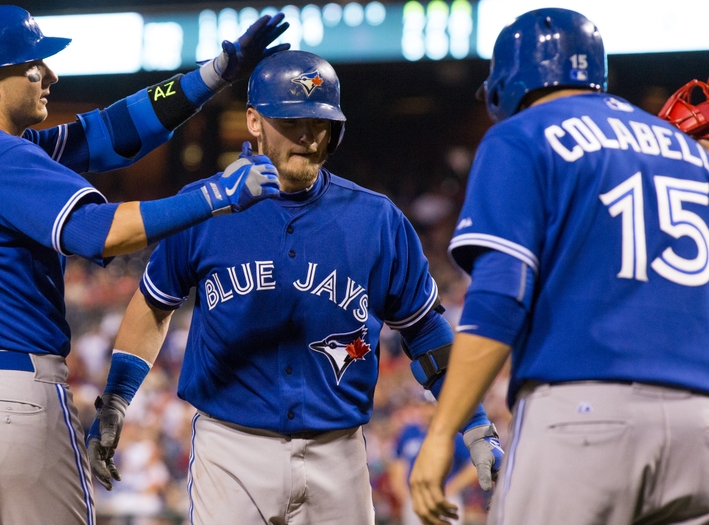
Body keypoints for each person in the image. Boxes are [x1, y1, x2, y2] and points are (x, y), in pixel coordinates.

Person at [0, 5, 286, 525]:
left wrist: (214, 74)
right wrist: (217, 193)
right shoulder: (5, 160)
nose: (50, 75)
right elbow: (96, 233)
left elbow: (109, 133)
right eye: (33, 66)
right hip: (5, 401)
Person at [94, 50, 502, 524]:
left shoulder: (376, 220)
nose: (307, 135)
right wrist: (118, 400)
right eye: (290, 120)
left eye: (318, 121)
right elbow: (155, 304)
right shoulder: (202, 208)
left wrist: (474, 423)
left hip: (338, 451)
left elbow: (426, 334)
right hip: (231, 449)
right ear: (254, 121)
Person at [410, 8, 709, 525]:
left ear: (508, 82)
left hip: (585, 415)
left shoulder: (522, 135)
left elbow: (501, 296)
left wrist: (442, 436)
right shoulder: (686, 150)